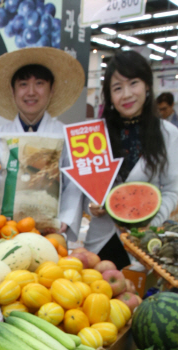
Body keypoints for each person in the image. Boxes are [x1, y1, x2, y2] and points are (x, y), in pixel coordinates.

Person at [66, 51, 178, 268]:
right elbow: (85, 190)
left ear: (147, 85)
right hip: (100, 242)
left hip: (143, 243)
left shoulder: (168, 134)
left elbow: (173, 190)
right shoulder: (93, 135)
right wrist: (91, 207)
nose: (126, 94)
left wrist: (149, 223)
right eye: (117, 88)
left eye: (133, 83)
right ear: (109, 95)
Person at [0, 47, 85, 233]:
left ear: (51, 90)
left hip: (52, 232)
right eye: (23, 84)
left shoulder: (65, 136)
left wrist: (66, 220)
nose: (31, 92)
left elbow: (74, 184)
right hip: (6, 231)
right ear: (12, 91)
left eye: (39, 83)